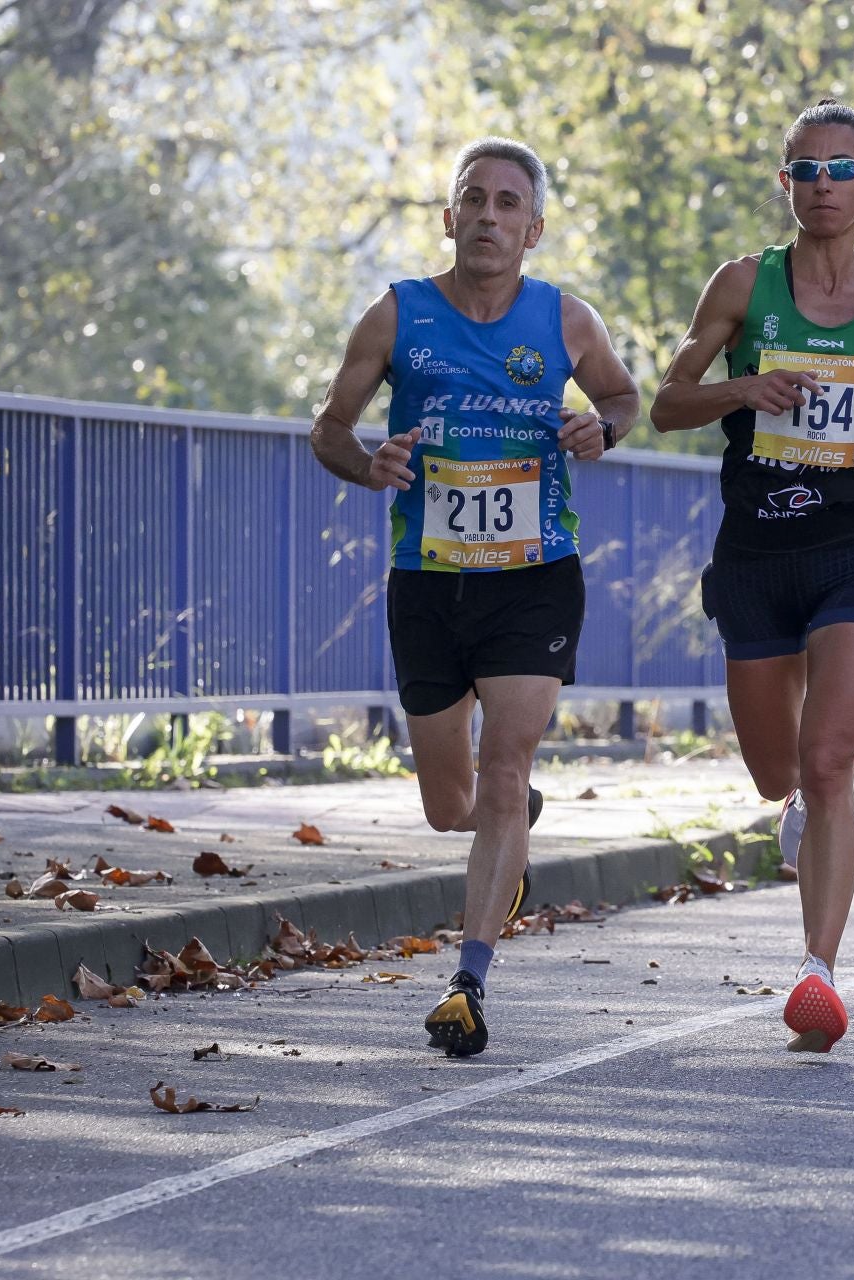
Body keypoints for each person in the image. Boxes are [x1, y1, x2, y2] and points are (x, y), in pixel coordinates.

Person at [309, 137, 640, 1057]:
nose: (489, 217)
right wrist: (365, 463)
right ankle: (512, 828)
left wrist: (598, 427)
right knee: (448, 804)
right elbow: (328, 429)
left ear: (532, 228)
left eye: (508, 204)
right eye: (474, 200)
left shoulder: (566, 320)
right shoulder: (395, 316)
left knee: (504, 769)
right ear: (449, 217)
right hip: (430, 581)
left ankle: (470, 981)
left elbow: (622, 395)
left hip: (535, 578)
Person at [651, 99, 854, 1053]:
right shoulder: (744, 286)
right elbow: (665, 403)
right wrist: (743, 388)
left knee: (829, 762)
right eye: (804, 170)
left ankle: (818, 972)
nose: (822, 186)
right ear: (784, 184)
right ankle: (798, 809)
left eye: (840, 169)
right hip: (756, 558)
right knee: (775, 770)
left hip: (851, 553)